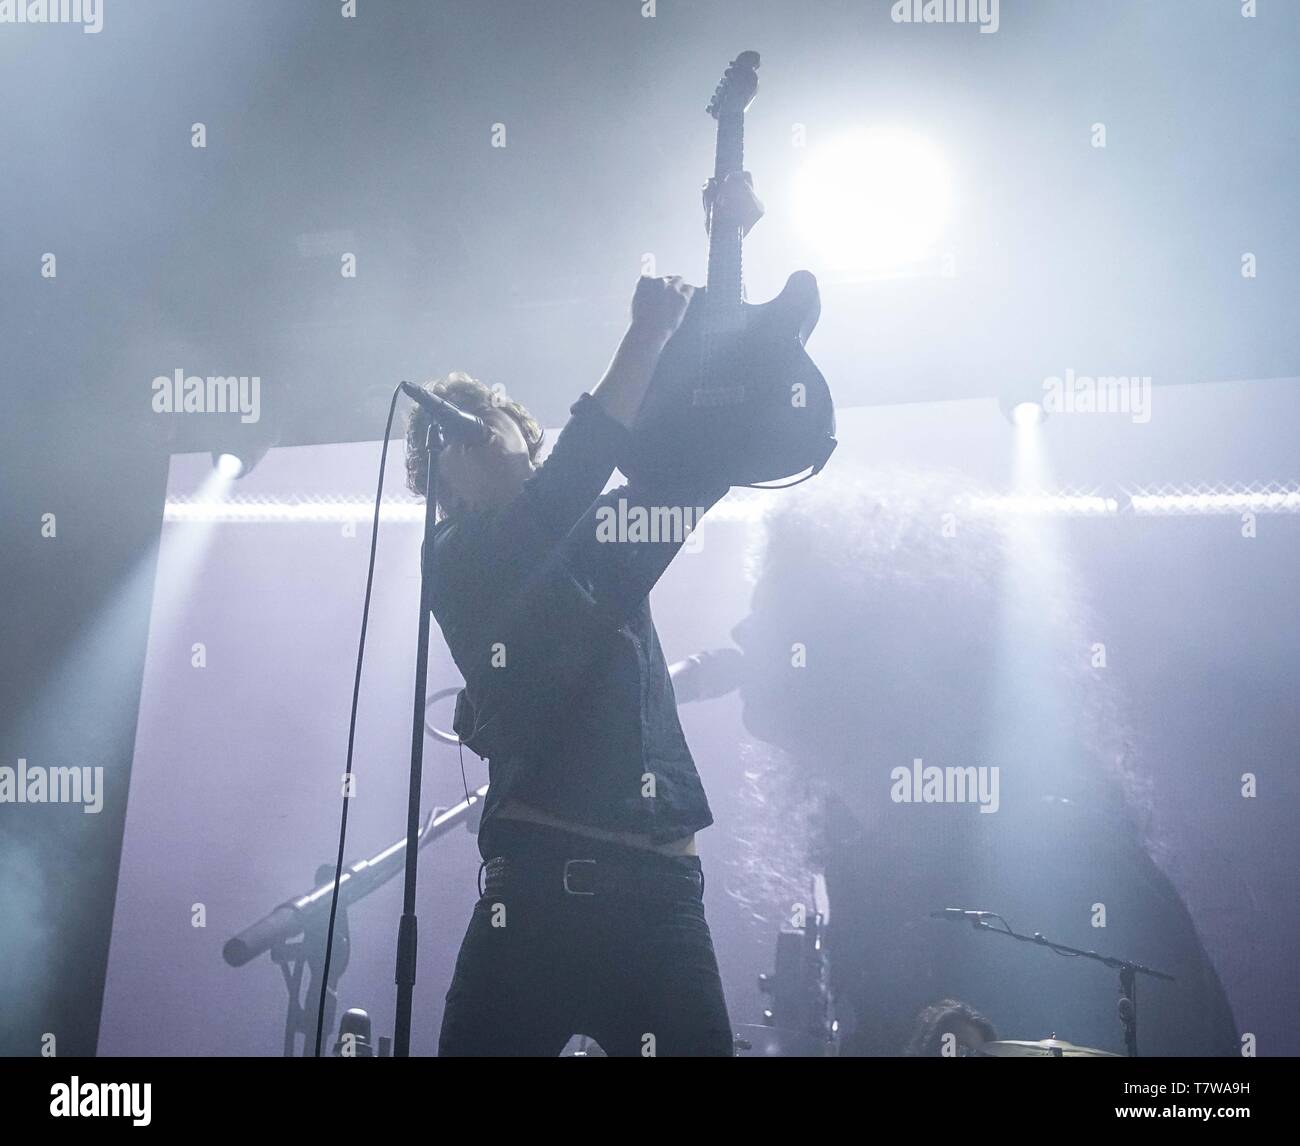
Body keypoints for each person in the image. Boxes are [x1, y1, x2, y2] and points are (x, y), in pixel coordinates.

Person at [407, 174, 763, 1056]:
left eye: (487, 414)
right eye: (451, 433)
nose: (473, 428)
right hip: (531, 898)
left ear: (526, 433)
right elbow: (575, 472)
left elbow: (704, 445)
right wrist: (643, 334)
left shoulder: (607, 535)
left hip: (662, 897)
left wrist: (727, 247)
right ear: (438, 481)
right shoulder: (460, 558)